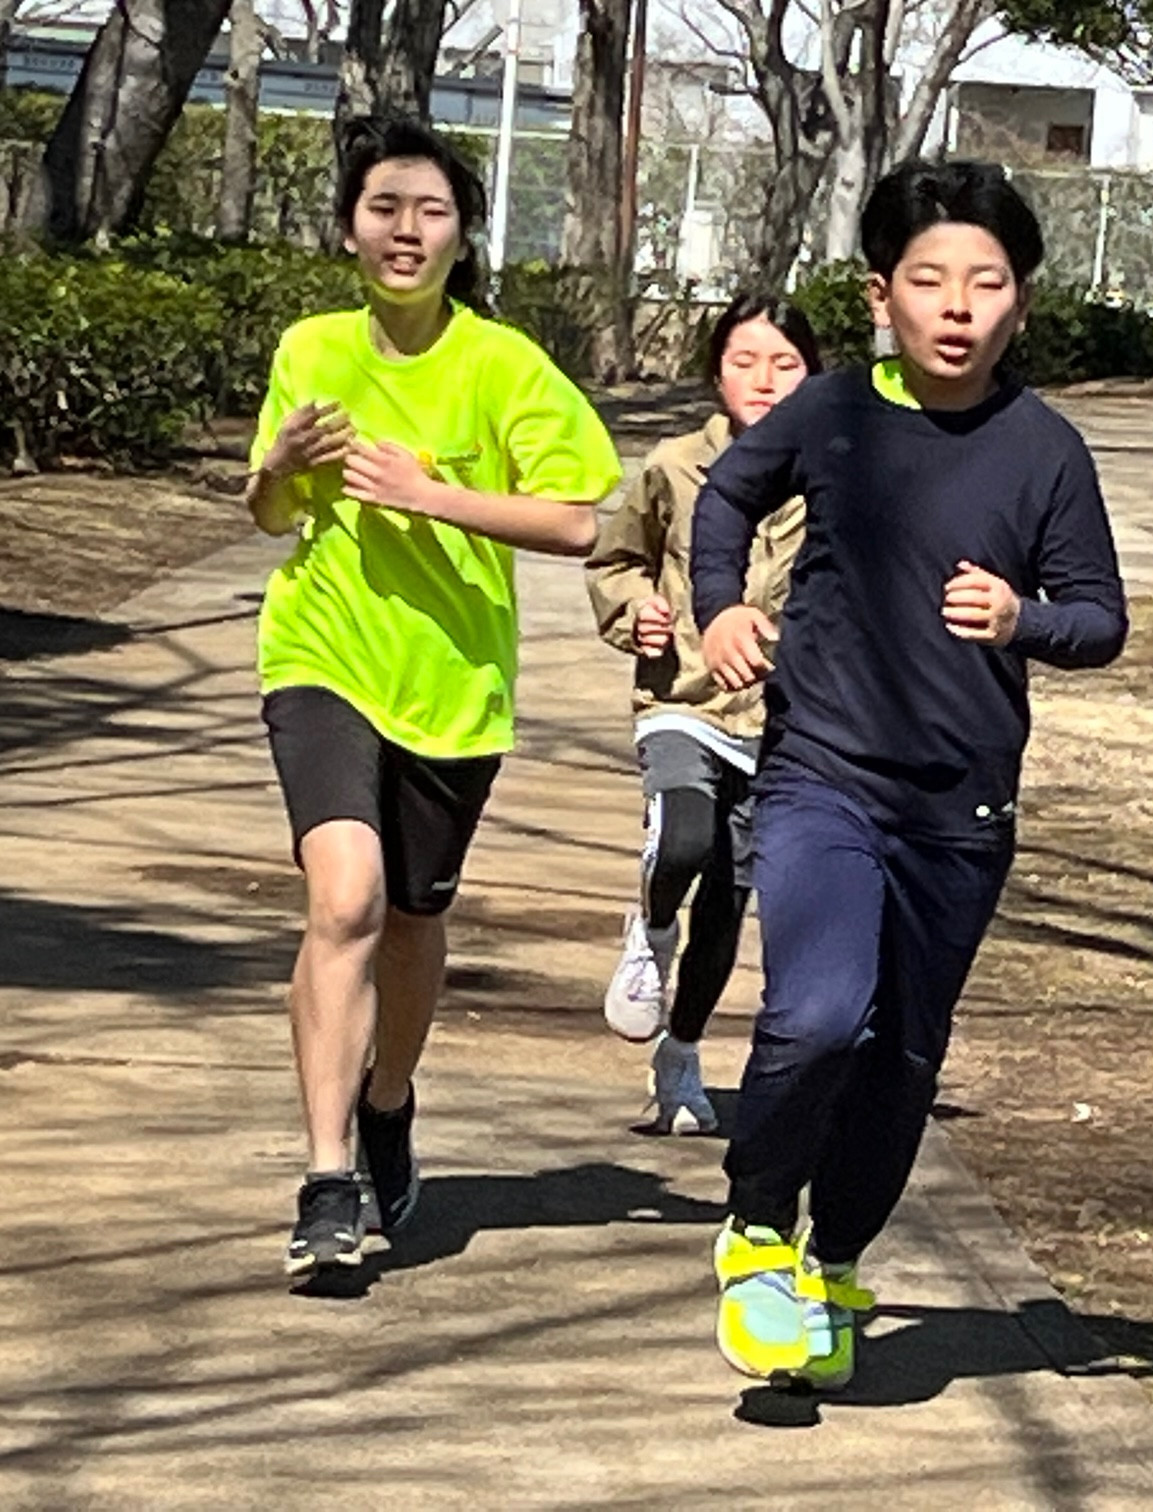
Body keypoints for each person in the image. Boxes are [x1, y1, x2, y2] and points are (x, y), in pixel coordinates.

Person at [690, 159, 1129, 1386]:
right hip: (824, 771)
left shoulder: (1046, 450)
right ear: (882, 295)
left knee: (901, 1060)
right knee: (823, 1012)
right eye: (930, 281)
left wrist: (1024, 618)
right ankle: (757, 1228)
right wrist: (720, 608)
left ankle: (833, 1262)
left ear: (1021, 301)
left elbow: (1101, 618)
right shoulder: (831, 412)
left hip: (961, 808)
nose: (957, 306)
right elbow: (725, 498)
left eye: (986, 283)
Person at [247, 115, 623, 1280]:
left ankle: (388, 1098)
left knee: (410, 919)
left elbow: (578, 520)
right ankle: (326, 1178)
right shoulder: (311, 348)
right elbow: (267, 511)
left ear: (463, 237)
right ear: (349, 229)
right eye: (383, 209)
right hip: (320, 654)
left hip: (453, 688)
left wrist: (428, 494)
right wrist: (279, 467)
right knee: (345, 900)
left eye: (431, 212)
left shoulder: (502, 365)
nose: (405, 231)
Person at [584, 294, 821, 1134]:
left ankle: (681, 1055)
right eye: (744, 361)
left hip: (782, 720)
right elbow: (616, 559)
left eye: (786, 364)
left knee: (728, 898)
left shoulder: (833, 479)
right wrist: (637, 611)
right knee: (684, 837)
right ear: (717, 373)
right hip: (681, 695)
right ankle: (651, 930)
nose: (764, 380)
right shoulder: (675, 466)